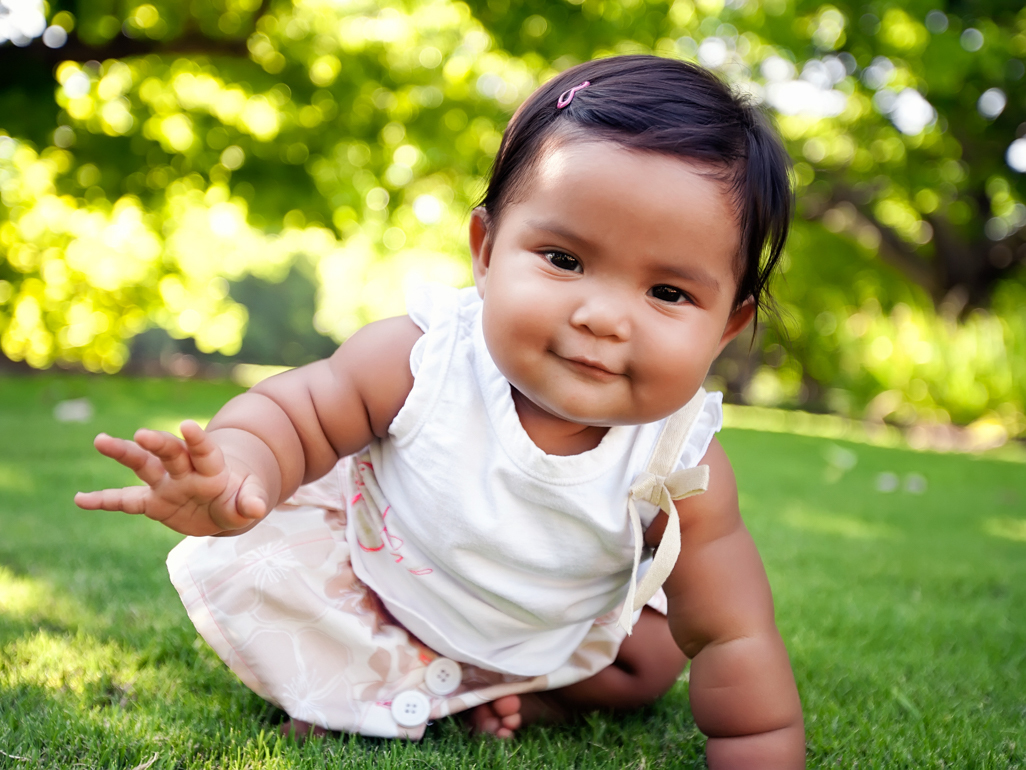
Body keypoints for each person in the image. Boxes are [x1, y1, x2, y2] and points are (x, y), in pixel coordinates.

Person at [76, 55, 805, 768]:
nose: (604, 317)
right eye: (565, 260)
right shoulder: (423, 359)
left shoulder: (682, 464)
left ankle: (502, 691)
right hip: (385, 584)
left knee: (647, 662)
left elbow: (732, 634)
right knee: (300, 597)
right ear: (486, 252)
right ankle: (364, 692)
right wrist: (238, 470)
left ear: (726, 328)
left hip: (544, 626)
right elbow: (297, 414)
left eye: (669, 294)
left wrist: (756, 743)